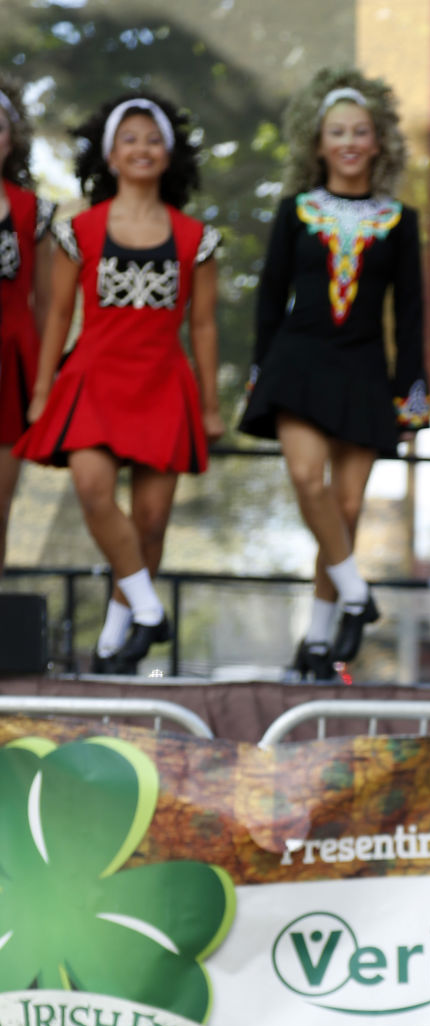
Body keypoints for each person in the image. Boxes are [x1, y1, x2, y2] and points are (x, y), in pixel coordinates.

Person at [17, 93, 222, 674]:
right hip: (94, 380)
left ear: (169, 153)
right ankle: (152, 612)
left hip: (163, 383)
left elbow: (203, 326)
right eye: (129, 139)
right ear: (109, 155)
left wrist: (209, 405)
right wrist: (40, 391)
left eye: (152, 139)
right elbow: (57, 316)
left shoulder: (195, 238)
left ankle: (114, 642)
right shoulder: (78, 230)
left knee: (151, 522)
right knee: (93, 493)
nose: (142, 149)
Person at [239, 67, 430, 680]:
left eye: (361, 131)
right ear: (318, 144)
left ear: (379, 143)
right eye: (337, 131)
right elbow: (269, 296)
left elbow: (413, 310)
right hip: (297, 363)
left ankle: (316, 644)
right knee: (306, 479)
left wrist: (411, 392)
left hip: (365, 371)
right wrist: (260, 370)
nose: (349, 141)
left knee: (346, 509)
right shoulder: (295, 210)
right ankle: (356, 593)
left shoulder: (400, 220)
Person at [0, 75, 55, 574]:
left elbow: (47, 305)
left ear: (11, 140)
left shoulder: (33, 212)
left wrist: (42, 383)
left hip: (9, 370)